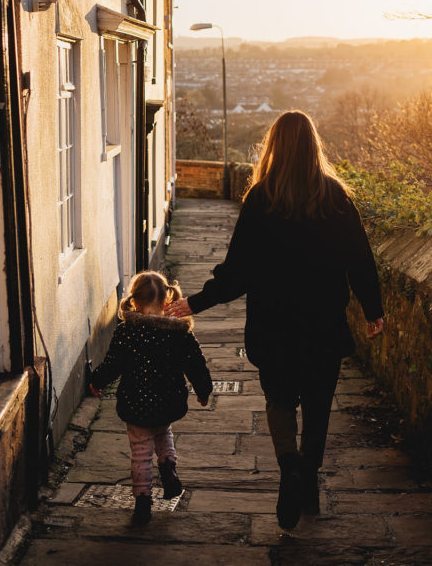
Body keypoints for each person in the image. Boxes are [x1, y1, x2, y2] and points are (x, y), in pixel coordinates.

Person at [165, 110, 384, 530]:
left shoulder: (261, 199)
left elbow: (238, 271)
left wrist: (198, 301)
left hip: (273, 327)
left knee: (280, 401)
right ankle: (308, 482)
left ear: (274, 147)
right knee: (318, 407)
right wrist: (373, 309)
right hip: (323, 326)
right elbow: (360, 259)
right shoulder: (335, 197)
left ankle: (289, 468)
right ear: (313, 146)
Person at [89, 270, 213, 526]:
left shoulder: (127, 331)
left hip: (136, 403)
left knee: (141, 453)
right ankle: (168, 467)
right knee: (163, 431)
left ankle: (143, 502)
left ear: (134, 301)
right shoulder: (179, 333)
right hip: (168, 402)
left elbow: (113, 364)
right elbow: (196, 364)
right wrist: (203, 389)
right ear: (167, 300)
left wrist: (95, 382)